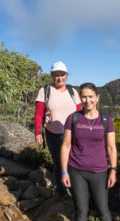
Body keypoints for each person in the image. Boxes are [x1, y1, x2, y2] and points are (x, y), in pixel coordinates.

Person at [60, 82, 119, 221]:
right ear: (80, 98)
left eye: (90, 96)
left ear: (97, 97)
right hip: (77, 171)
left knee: (103, 209)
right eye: (84, 97)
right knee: (81, 210)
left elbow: (111, 147)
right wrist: (64, 171)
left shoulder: (105, 119)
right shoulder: (73, 118)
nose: (87, 100)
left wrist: (114, 170)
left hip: (100, 171)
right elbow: (66, 146)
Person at [34, 61, 82, 197]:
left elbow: (80, 113)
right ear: (52, 76)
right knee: (58, 162)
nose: (59, 78)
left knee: (74, 162)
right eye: (56, 75)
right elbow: (38, 114)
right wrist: (38, 133)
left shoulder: (73, 92)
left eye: (62, 74)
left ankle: (76, 191)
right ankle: (62, 192)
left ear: (66, 75)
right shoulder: (45, 91)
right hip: (53, 133)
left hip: (73, 134)